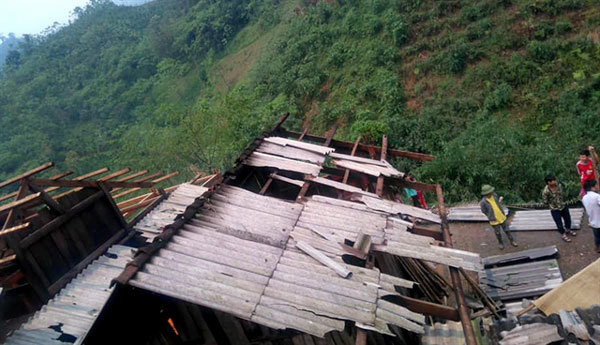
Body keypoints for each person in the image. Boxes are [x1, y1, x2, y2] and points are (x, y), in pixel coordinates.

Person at [480, 184, 517, 250]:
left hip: (501, 216)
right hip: (494, 220)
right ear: (486, 194)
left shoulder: (495, 195)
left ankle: (512, 241)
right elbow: (483, 211)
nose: (492, 193)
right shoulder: (483, 202)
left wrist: (500, 201)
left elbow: (497, 203)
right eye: (490, 192)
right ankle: (500, 243)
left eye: (492, 192)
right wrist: (490, 215)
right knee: (497, 232)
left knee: (507, 230)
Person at [542, 175, 575, 242]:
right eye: (553, 180)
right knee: (559, 223)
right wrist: (552, 205)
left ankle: (568, 229)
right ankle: (563, 234)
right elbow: (545, 202)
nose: (555, 181)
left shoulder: (559, 186)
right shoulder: (545, 191)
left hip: (562, 205)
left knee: (568, 219)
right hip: (554, 209)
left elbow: (562, 195)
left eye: (555, 180)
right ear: (549, 182)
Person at [582, 179, 600, 253]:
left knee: (597, 236)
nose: (598, 186)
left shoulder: (584, 198)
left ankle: (597, 247)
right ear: (592, 187)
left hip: (592, 221)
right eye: (596, 185)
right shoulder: (597, 196)